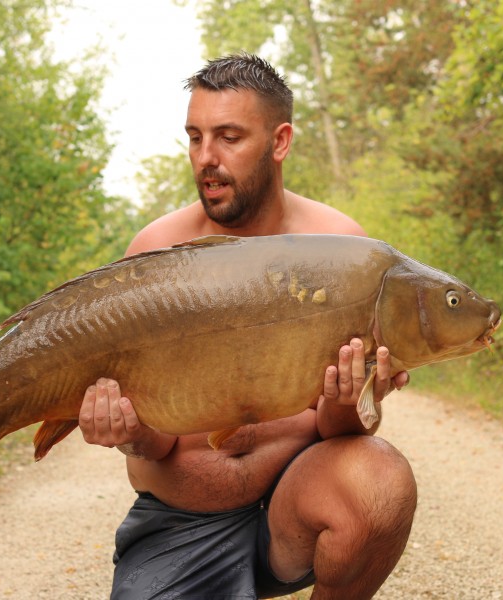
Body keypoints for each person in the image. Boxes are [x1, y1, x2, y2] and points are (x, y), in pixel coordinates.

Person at [79, 53, 416, 600]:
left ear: (279, 141)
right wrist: (130, 432)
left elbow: (337, 431)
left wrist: (350, 398)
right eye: (195, 137)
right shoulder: (155, 252)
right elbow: (157, 444)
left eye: (229, 137)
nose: (206, 159)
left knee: (380, 479)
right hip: (183, 524)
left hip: (291, 508)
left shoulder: (342, 250)